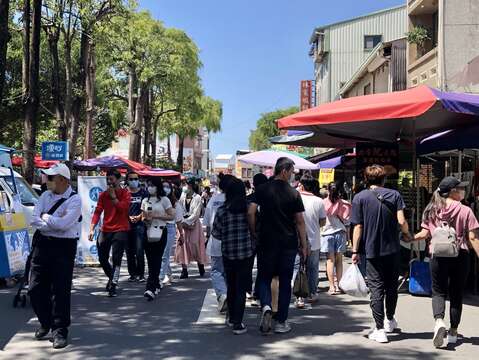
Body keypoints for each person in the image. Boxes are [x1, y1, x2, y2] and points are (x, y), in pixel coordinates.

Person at [412, 176, 479, 348]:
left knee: (438, 291)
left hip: (437, 255)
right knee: (456, 293)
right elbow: (473, 238)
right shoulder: (466, 211)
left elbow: (424, 234)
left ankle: (439, 320)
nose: (463, 190)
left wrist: (408, 237)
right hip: (460, 255)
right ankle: (454, 332)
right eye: (460, 188)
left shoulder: (431, 210)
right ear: (453, 192)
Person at [351, 165, 411, 344]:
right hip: (392, 249)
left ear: (366, 179)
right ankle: (390, 320)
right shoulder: (395, 195)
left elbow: (358, 227)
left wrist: (355, 250)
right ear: (383, 179)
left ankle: (379, 329)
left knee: (376, 288)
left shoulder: (359, 198)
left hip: (371, 250)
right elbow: (401, 221)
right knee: (392, 286)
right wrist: (407, 234)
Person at [249, 157, 308, 334]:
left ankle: (266, 305)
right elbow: (299, 221)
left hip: (266, 241)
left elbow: (251, 212)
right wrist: (304, 245)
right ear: (284, 170)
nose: (292, 175)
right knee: (284, 283)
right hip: (288, 244)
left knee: (265, 278)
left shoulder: (261, 189)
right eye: (291, 172)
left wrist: (254, 232)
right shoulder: (293, 193)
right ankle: (281, 322)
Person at [29, 164, 81, 349]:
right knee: (34, 288)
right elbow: (33, 219)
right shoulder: (44, 196)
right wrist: (51, 222)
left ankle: (59, 330)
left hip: (64, 247)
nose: (47, 181)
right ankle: (46, 321)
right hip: (43, 244)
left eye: (51, 178)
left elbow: (64, 225)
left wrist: (46, 218)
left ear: (63, 180)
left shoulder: (75, 200)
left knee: (60, 289)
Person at [212, 178, 255, 335]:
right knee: (241, 288)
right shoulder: (249, 209)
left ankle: (231, 318)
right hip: (246, 253)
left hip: (228, 253)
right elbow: (254, 228)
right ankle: (238, 322)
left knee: (231, 285)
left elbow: (216, 233)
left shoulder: (222, 211)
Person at [89, 169, 131, 297]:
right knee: (102, 258)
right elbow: (97, 212)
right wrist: (91, 228)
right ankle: (112, 277)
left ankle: (113, 284)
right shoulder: (103, 195)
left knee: (117, 258)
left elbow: (122, 209)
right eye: (108, 179)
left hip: (121, 229)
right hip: (106, 229)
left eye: (112, 179)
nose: (109, 182)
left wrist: (113, 197)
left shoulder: (125, 193)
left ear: (119, 180)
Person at [204, 173, 234, 312]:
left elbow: (208, 223)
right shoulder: (235, 199)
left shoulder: (213, 200)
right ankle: (228, 295)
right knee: (228, 271)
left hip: (216, 239)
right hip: (232, 241)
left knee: (216, 271)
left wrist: (207, 237)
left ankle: (222, 294)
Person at [141, 181, 175, 300]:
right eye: (149, 185)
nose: (150, 187)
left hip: (161, 231)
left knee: (157, 258)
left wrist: (157, 216)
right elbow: (143, 216)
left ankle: (150, 288)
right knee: (150, 260)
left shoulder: (164, 200)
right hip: (148, 232)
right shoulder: (145, 201)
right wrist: (145, 218)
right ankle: (155, 284)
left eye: (153, 185)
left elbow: (172, 216)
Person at [296, 174, 326, 306]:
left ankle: (299, 297)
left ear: (301, 184)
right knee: (313, 268)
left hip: (297, 240)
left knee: (299, 268)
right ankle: (312, 293)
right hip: (314, 240)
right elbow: (323, 221)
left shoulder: (295, 197)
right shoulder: (319, 201)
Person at [321, 181, 351, 295]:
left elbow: (320, 219)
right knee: (339, 260)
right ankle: (338, 285)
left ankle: (331, 287)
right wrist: (348, 238)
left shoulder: (323, 203)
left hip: (327, 233)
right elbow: (347, 221)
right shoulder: (344, 204)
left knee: (330, 260)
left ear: (328, 190)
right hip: (341, 233)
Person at [175, 179, 208, 279]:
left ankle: (200, 265)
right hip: (183, 224)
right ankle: (184, 270)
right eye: (184, 185)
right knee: (182, 245)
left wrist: (188, 222)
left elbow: (196, 213)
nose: (185, 187)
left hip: (194, 224)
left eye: (186, 185)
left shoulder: (197, 197)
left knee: (195, 245)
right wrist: (182, 222)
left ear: (191, 186)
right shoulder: (182, 196)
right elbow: (179, 209)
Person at [125, 171, 149, 282]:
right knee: (129, 251)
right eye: (131, 179)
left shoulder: (144, 193)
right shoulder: (124, 192)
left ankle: (141, 274)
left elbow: (147, 208)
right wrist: (128, 217)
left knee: (139, 250)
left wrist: (139, 216)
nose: (134, 181)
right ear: (127, 180)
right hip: (126, 225)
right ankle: (132, 274)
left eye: (135, 179)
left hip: (140, 225)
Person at [160, 181, 183, 286]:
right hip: (158, 229)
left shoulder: (175, 203)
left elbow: (178, 221)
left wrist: (181, 235)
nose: (165, 189)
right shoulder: (158, 200)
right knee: (161, 254)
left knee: (165, 254)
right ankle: (168, 274)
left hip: (170, 229)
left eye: (167, 187)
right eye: (163, 186)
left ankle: (161, 277)